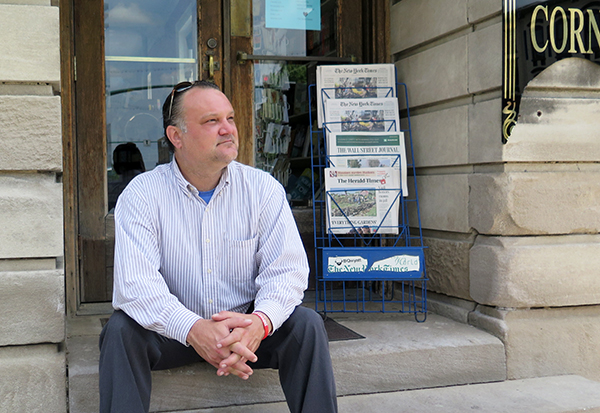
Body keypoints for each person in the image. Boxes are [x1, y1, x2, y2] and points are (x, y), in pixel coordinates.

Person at [98, 80, 338, 413]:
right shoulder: (143, 195)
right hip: (174, 332)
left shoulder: (262, 189)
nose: (227, 129)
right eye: (212, 121)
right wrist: (194, 329)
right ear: (176, 137)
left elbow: (287, 271)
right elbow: (135, 286)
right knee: (120, 331)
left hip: (246, 332)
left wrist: (260, 323)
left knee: (307, 326)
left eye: (230, 118)